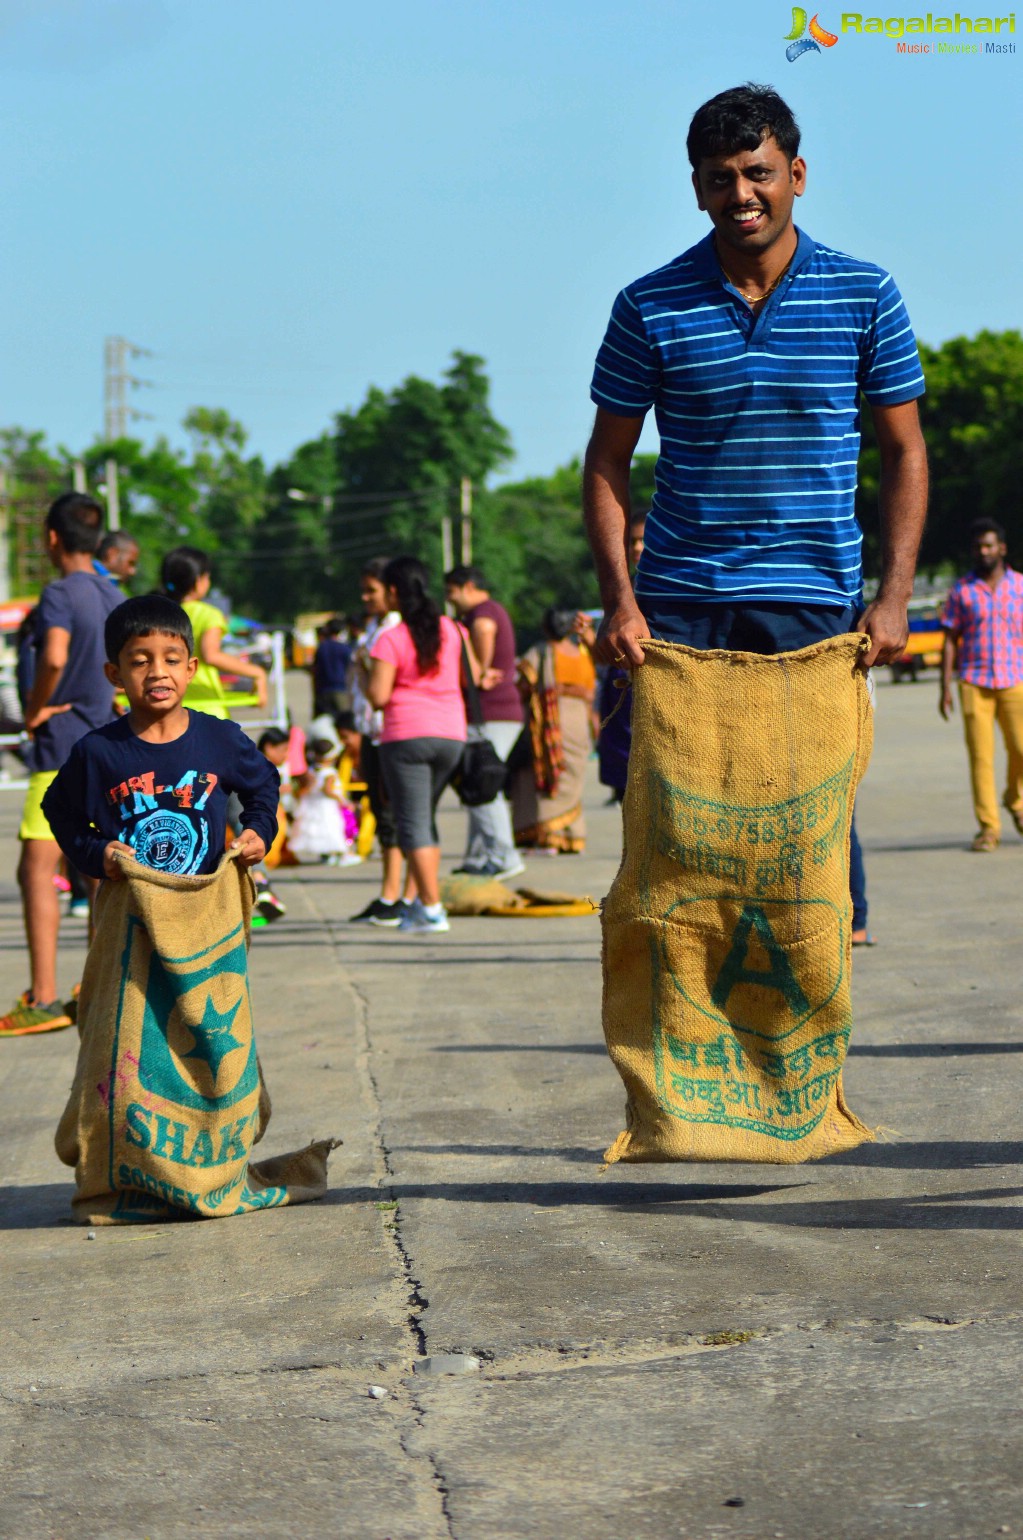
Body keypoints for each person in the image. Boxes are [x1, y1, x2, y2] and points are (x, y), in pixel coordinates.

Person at [585, 82, 927, 676]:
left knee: (808, 774)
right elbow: (607, 458)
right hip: (681, 604)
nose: (741, 194)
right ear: (697, 190)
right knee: (682, 774)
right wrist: (619, 601)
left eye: (758, 173)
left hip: (817, 602)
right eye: (719, 178)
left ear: (796, 175)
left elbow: (904, 451)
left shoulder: (867, 294)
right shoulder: (648, 305)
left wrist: (894, 597)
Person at [41, 595, 278, 884]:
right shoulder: (97, 751)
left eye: (172, 660)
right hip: (131, 914)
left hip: (208, 912)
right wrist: (96, 853)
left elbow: (264, 783)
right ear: (115, 674)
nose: (158, 672)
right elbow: (59, 809)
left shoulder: (220, 738)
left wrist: (258, 830)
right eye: (140, 662)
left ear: (190, 669)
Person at [0, 494, 123, 1037]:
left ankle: (45, 996)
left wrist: (32, 712)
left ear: (52, 538)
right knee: (98, 871)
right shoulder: (112, 593)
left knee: (37, 869)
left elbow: (52, 655)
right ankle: (101, 988)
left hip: (60, 746)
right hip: (107, 744)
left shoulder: (58, 594)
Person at [367, 556, 477, 934]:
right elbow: (472, 676)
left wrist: (367, 674)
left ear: (394, 592)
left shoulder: (391, 638)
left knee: (412, 823)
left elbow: (379, 696)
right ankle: (420, 904)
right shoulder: (453, 629)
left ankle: (431, 908)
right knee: (423, 818)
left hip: (406, 737)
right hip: (451, 734)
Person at [939, 518, 1023, 851]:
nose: (984, 551)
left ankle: (1014, 798)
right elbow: (949, 640)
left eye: (989, 545)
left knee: (1020, 748)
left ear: (1001, 548)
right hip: (974, 681)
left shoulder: (1020, 586)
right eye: (978, 547)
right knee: (981, 758)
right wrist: (945, 686)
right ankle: (989, 828)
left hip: (1015, 678)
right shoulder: (962, 590)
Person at [444, 564, 525, 880]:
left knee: (482, 784)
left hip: (490, 712)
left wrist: (477, 666)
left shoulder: (482, 614)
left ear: (466, 586)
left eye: (451, 592)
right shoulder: (484, 612)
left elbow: (480, 668)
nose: (450, 600)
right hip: (494, 713)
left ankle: (504, 856)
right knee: (480, 782)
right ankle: (479, 857)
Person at [348, 557, 413, 926]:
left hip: (393, 729)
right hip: (371, 730)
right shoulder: (374, 627)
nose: (365, 597)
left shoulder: (397, 628)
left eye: (372, 590)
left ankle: (405, 895)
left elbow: (387, 680)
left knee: (399, 816)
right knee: (384, 813)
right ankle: (390, 893)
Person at [511, 607, 597, 854]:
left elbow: (523, 685)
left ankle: (549, 836)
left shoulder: (540, 652)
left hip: (551, 723)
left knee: (550, 775)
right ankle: (572, 835)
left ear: (545, 627)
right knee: (571, 777)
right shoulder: (582, 654)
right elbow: (590, 691)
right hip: (577, 722)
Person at [160, 547, 267, 719]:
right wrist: (257, 672)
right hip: (205, 709)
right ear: (198, 580)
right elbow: (211, 655)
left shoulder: (159, 614)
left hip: (166, 707)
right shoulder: (208, 614)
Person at [286, 737, 361, 865]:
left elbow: (305, 788)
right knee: (333, 828)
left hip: (314, 804)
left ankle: (326, 855)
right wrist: (342, 800)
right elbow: (328, 790)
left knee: (319, 829)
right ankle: (339, 854)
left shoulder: (311, 771)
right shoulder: (330, 773)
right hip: (327, 806)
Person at [311, 617, 353, 719]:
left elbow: (315, 670)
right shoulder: (345, 648)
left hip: (323, 690)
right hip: (341, 689)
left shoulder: (321, 648)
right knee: (344, 720)